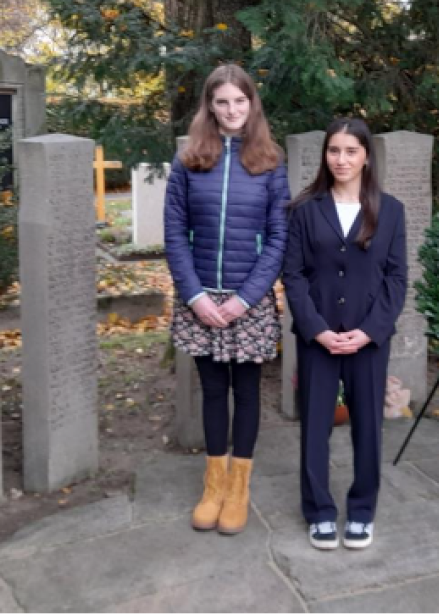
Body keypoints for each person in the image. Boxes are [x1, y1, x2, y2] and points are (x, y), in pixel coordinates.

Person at [164, 64, 289, 535]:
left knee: (247, 391)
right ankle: (213, 484)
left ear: (251, 103)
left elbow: (278, 237)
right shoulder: (189, 160)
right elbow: (175, 232)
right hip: (200, 297)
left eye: (240, 101)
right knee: (213, 391)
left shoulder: (270, 162)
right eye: (223, 102)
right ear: (210, 106)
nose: (232, 110)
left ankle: (239, 487)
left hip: (247, 299)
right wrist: (194, 295)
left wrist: (246, 299)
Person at [283, 118, 407, 550]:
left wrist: (370, 331)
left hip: (367, 340)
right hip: (317, 339)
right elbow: (293, 275)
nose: (341, 159)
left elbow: (396, 278)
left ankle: (362, 509)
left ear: (366, 156)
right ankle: (318, 510)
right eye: (334, 150)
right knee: (315, 425)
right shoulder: (305, 210)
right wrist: (316, 329)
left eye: (351, 151)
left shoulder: (390, 211)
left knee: (368, 427)